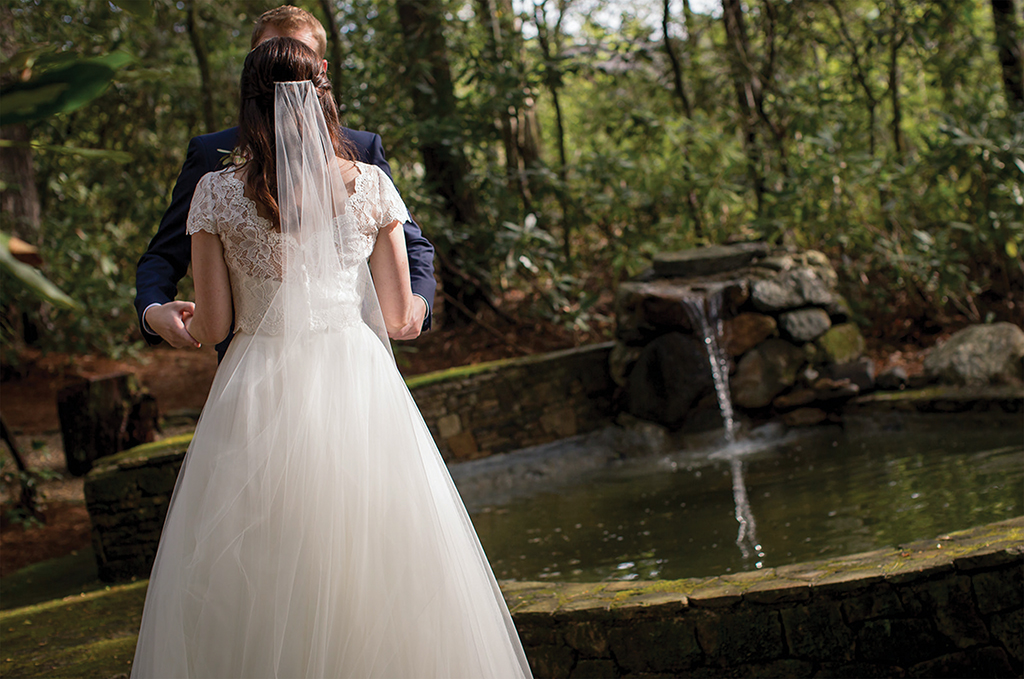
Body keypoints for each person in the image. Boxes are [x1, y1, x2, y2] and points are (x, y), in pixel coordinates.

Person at [130, 38, 531, 678]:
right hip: (359, 379)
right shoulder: (370, 185)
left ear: (250, 107)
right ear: (324, 98)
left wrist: (162, 314)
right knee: (380, 547)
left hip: (260, 384)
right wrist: (412, 312)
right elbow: (401, 320)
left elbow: (215, 326)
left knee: (263, 554)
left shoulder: (215, 193)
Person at [134, 6, 434, 357]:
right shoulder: (208, 154)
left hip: (350, 359)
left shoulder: (363, 149)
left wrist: (419, 303)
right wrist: (153, 310)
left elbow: (410, 243)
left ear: (319, 68)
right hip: (254, 361)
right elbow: (165, 253)